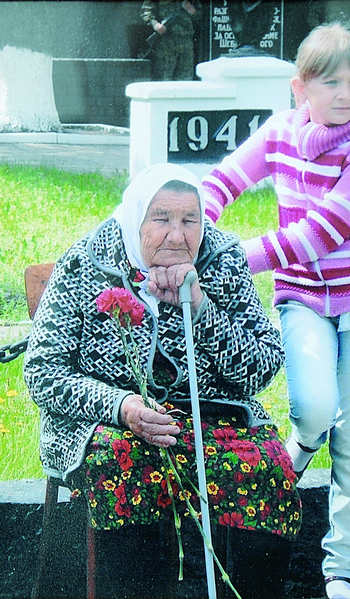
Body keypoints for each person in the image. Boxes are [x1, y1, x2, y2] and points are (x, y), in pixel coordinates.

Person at [24, 163, 301, 599]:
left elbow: (262, 367)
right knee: (122, 464)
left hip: (212, 417)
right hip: (108, 422)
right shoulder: (85, 264)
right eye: (162, 219)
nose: (178, 235)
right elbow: (42, 371)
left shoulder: (223, 257)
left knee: (266, 469)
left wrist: (201, 307)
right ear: (136, 218)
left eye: (190, 220)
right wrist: (122, 405)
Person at [202, 23, 350, 599]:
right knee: (314, 409)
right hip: (302, 298)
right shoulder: (280, 133)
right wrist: (193, 230)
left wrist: (230, 259)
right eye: (330, 80)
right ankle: (294, 456)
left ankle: (339, 571)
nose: (344, 92)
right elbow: (222, 181)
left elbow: (319, 235)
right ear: (300, 89)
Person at [141, 0, 202, 81]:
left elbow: (199, 14)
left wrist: (192, 10)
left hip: (186, 42)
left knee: (185, 79)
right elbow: (146, 11)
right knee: (164, 78)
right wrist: (155, 24)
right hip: (166, 42)